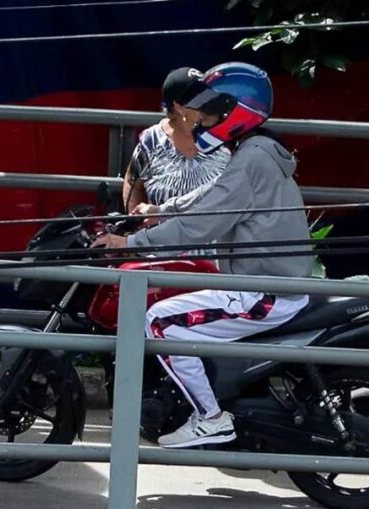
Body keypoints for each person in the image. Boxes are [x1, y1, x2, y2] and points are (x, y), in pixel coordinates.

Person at [93, 62, 314, 449]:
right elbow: (211, 199)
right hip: (266, 281)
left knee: (159, 322)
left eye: (211, 113)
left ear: (236, 112)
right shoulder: (257, 150)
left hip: (262, 290)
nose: (202, 122)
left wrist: (130, 245)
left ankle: (210, 418)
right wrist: (161, 211)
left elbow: (202, 225)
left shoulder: (252, 159)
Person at [122, 67, 231, 215]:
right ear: (179, 107)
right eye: (200, 99)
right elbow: (133, 183)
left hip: (215, 234)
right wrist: (135, 223)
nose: (209, 102)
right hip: (161, 235)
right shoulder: (152, 140)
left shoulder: (223, 134)